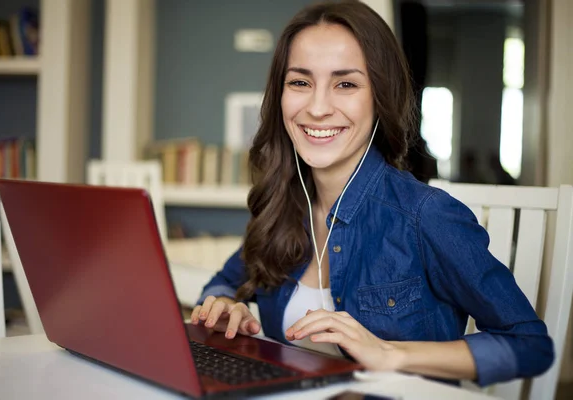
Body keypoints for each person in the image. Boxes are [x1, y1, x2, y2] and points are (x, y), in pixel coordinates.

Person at [191, 0, 553, 388]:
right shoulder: (282, 204)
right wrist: (225, 306)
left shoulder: (426, 216)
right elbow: (222, 282)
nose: (316, 108)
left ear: (380, 96)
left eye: (345, 84)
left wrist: (389, 353)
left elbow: (531, 345)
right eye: (300, 82)